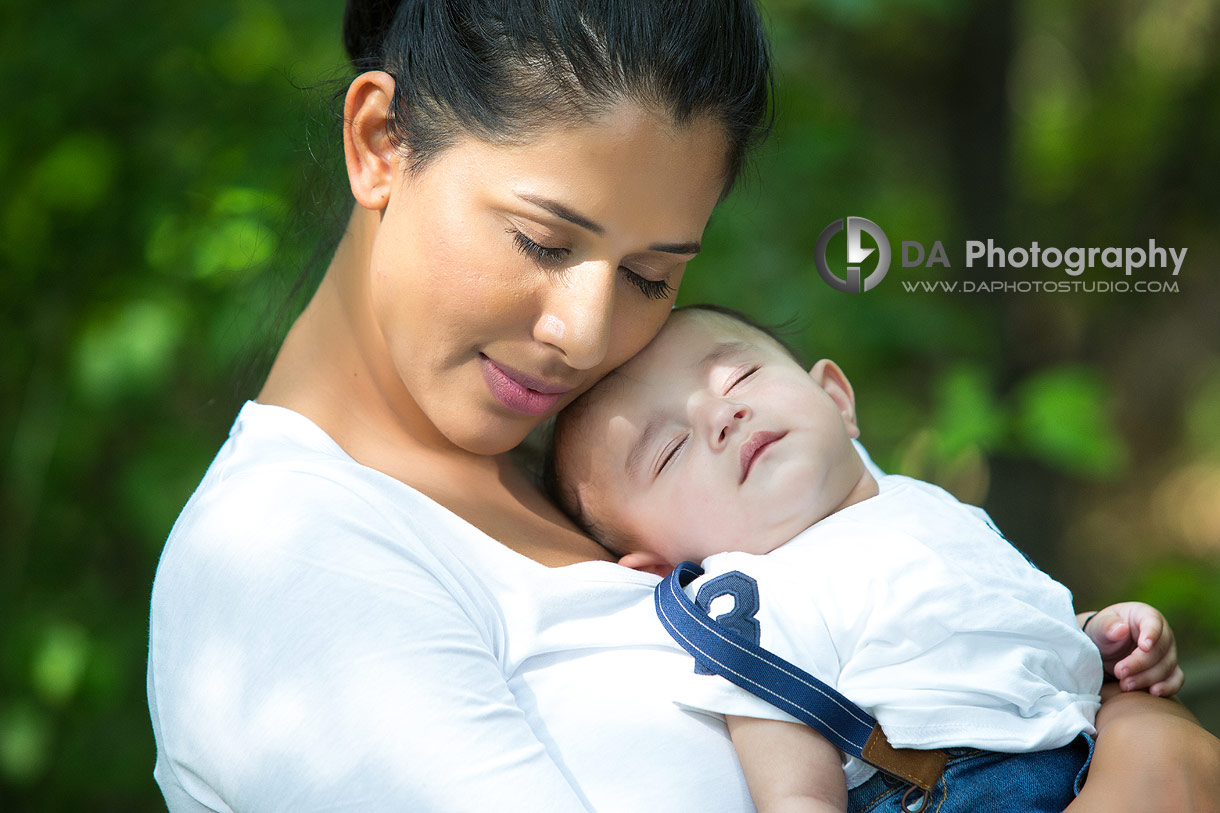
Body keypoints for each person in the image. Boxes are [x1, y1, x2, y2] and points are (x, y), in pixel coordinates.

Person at [146, 2, 1220, 811]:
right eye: (541, 241)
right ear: (381, 142)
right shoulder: (293, 554)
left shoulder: (617, 485)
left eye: (652, 276)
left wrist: (1125, 707)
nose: (581, 333)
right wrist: (1151, 766)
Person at [546, 305, 1186, 812]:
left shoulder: (929, 503)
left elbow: (1001, 627)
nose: (724, 413)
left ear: (837, 398)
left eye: (738, 377)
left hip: (1082, 742)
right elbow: (796, 793)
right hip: (960, 788)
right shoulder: (757, 597)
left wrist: (1096, 636)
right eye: (670, 449)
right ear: (661, 567)